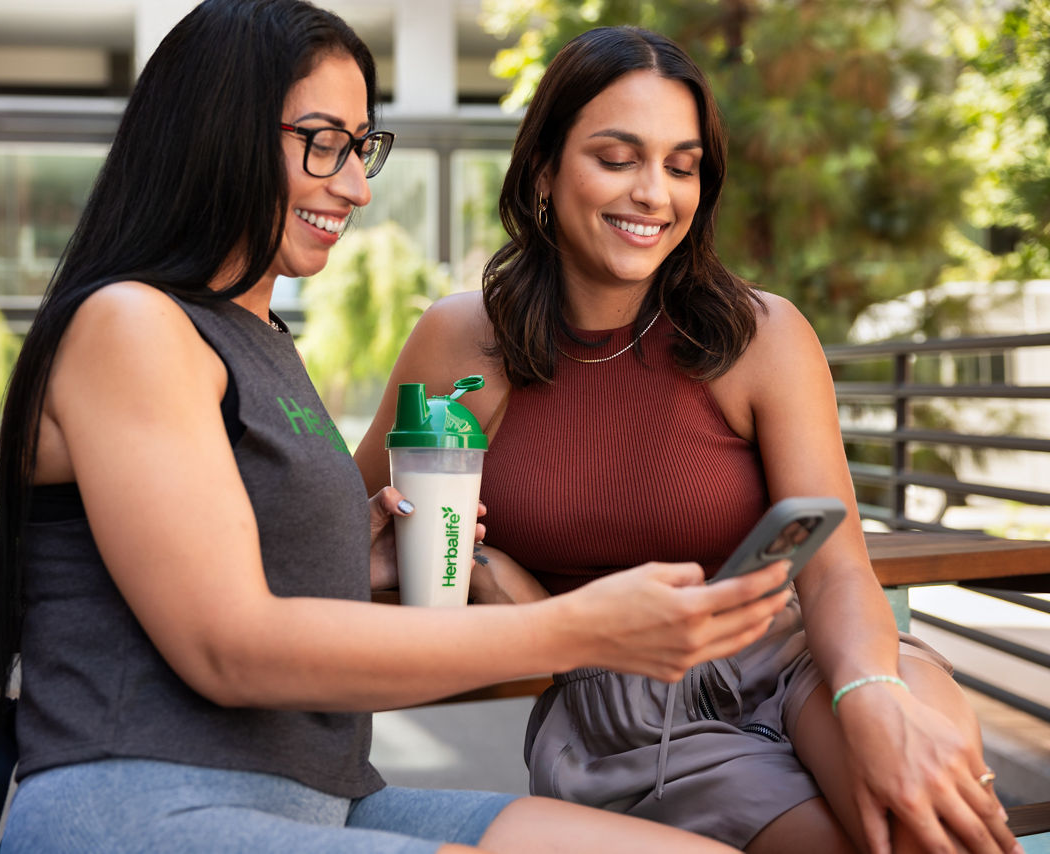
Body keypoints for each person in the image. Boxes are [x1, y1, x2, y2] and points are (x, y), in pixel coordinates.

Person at [0, 3, 793, 852]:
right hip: (147, 806)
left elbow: (225, 561)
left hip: (321, 799)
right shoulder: (130, 325)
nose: (353, 185)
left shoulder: (260, 338)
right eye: (322, 142)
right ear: (216, 131)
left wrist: (353, 559)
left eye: (360, 147)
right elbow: (227, 646)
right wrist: (578, 628)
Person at [354, 24, 1022, 854]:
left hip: (804, 656)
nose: (654, 194)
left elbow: (836, 559)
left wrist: (875, 691)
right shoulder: (466, 341)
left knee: (931, 813)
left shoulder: (761, 333)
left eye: (681, 165)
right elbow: (350, 527)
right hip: (634, 714)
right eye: (617, 157)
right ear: (543, 167)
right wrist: (484, 570)